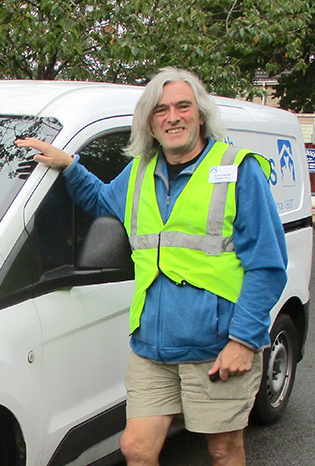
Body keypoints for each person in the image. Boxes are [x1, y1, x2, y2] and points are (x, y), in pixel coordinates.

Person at [15, 67, 288, 466]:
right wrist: (69, 165)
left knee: (223, 450)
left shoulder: (239, 170)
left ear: (200, 115)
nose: (172, 117)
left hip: (215, 345)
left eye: (182, 106)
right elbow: (104, 203)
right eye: (160, 110)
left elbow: (267, 264)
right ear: (149, 122)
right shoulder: (141, 170)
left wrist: (244, 341)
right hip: (152, 346)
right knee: (137, 448)